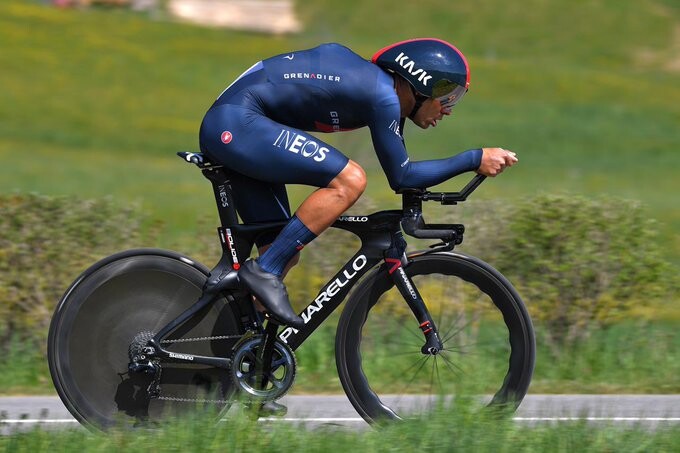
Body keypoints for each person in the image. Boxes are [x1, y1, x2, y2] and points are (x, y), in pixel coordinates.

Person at [199, 38, 518, 329]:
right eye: (446, 95)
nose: (448, 108)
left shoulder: (381, 93)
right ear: (421, 84)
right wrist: (473, 158)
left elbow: (403, 175)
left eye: (456, 98)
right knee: (350, 180)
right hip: (236, 123)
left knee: (281, 251)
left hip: (239, 124)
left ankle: (238, 357)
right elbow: (402, 176)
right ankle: (264, 271)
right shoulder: (382, 96)